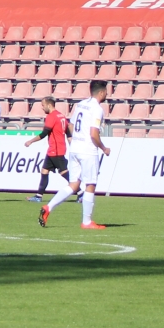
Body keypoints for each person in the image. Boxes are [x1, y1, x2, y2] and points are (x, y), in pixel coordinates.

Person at [42, 80, 111, 230]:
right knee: (90, 185)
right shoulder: (97, 109)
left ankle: (49, 207)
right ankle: (87, 222)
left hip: (75, 149)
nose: (107, 94)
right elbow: (93, 134)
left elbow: (71, 124)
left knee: (73, 185)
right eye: (106, 91)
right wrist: (104, 148)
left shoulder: (80, 104)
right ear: (101, 92)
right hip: (88, 151)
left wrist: (77, 139)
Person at [23, 96, 71, 204]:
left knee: (64, 172)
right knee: (44, 171)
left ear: (49, 105)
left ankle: (81, 193)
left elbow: (44, 134)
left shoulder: (51, 116)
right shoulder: (61, 116)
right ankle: (38, 196)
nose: (42, 107)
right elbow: (68, 132)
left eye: (43, 105)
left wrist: (30, 141)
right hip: (55, 149)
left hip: (56, 150)